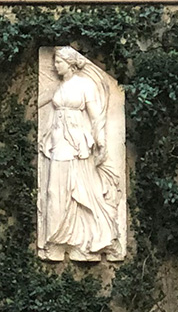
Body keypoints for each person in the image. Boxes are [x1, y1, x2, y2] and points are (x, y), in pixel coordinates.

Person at [40, 46, 122, 260]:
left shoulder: (85, 85)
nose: (55, 66)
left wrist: (101, 140)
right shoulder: (59, 87)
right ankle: (58, 240)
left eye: (58, 62)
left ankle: (93, 240)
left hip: (77, 143)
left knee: (80, 191)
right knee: (55, 191)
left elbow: (96, 116)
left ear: (70, 63)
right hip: (58, 141)